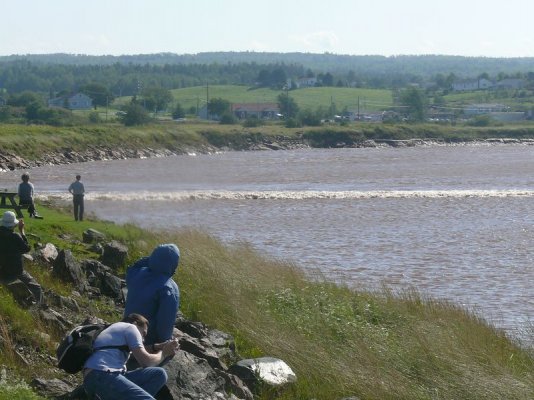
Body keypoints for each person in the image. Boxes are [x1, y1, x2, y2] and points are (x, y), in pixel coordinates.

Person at [83, 313, 178, 400]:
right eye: (143, 333)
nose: (143, 339)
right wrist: (164, 353)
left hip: (97, 377)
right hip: (102, 376)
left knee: (159, 374)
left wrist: (158, 346)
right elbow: (146, 362)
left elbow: (137, 353)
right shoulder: (131, 328)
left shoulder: (116, 330)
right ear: (136, 323)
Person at [124, 244, 180, 347]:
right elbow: (165, 323)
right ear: (174, 264)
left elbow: (135, 265)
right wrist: (165, 342)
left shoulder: (137, 273)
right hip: (146, 339)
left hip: (125, 330)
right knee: (172, 348)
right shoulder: (169, 288)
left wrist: (151, 261)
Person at [0, 211, 43, 305]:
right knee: (37, 288)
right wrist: (22, 231)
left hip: (2, 270)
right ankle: (39, 307)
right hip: (16, 271)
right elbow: (26, 249)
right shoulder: (15, 236)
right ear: (13, 225)